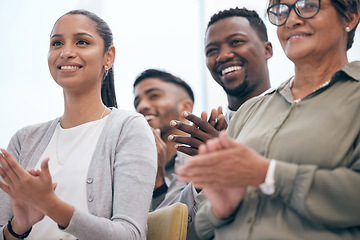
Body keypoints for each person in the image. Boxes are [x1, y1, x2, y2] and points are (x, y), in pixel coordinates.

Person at [177, 0, 360, 239]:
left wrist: (267, 174)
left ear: (350, 16)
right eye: (281, 11)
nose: (291, 20)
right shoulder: (250, 111)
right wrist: (222, 208)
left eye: (308, 5)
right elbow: (202, 225)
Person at [0, 10, 157, 240]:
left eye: (82, 42)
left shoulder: (129, 128)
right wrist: (17, 228)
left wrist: (51, 206)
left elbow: (130, 235)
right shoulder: (24, 140)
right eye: (57, 43)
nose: (66, 52)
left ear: (108, 57)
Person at [162, 8, 274, 239]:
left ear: (267, 49)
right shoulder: (198, 139)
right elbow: (170, 225)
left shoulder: (294, 113)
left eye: (236, 42)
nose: (223, 56)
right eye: (212, 50)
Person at [133, 69, 194, 210]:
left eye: (154, 96)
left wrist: (158, 185)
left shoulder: (201, 160)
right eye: (137, 103)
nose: (142, 107)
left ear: (186, 108)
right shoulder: (136, 168)